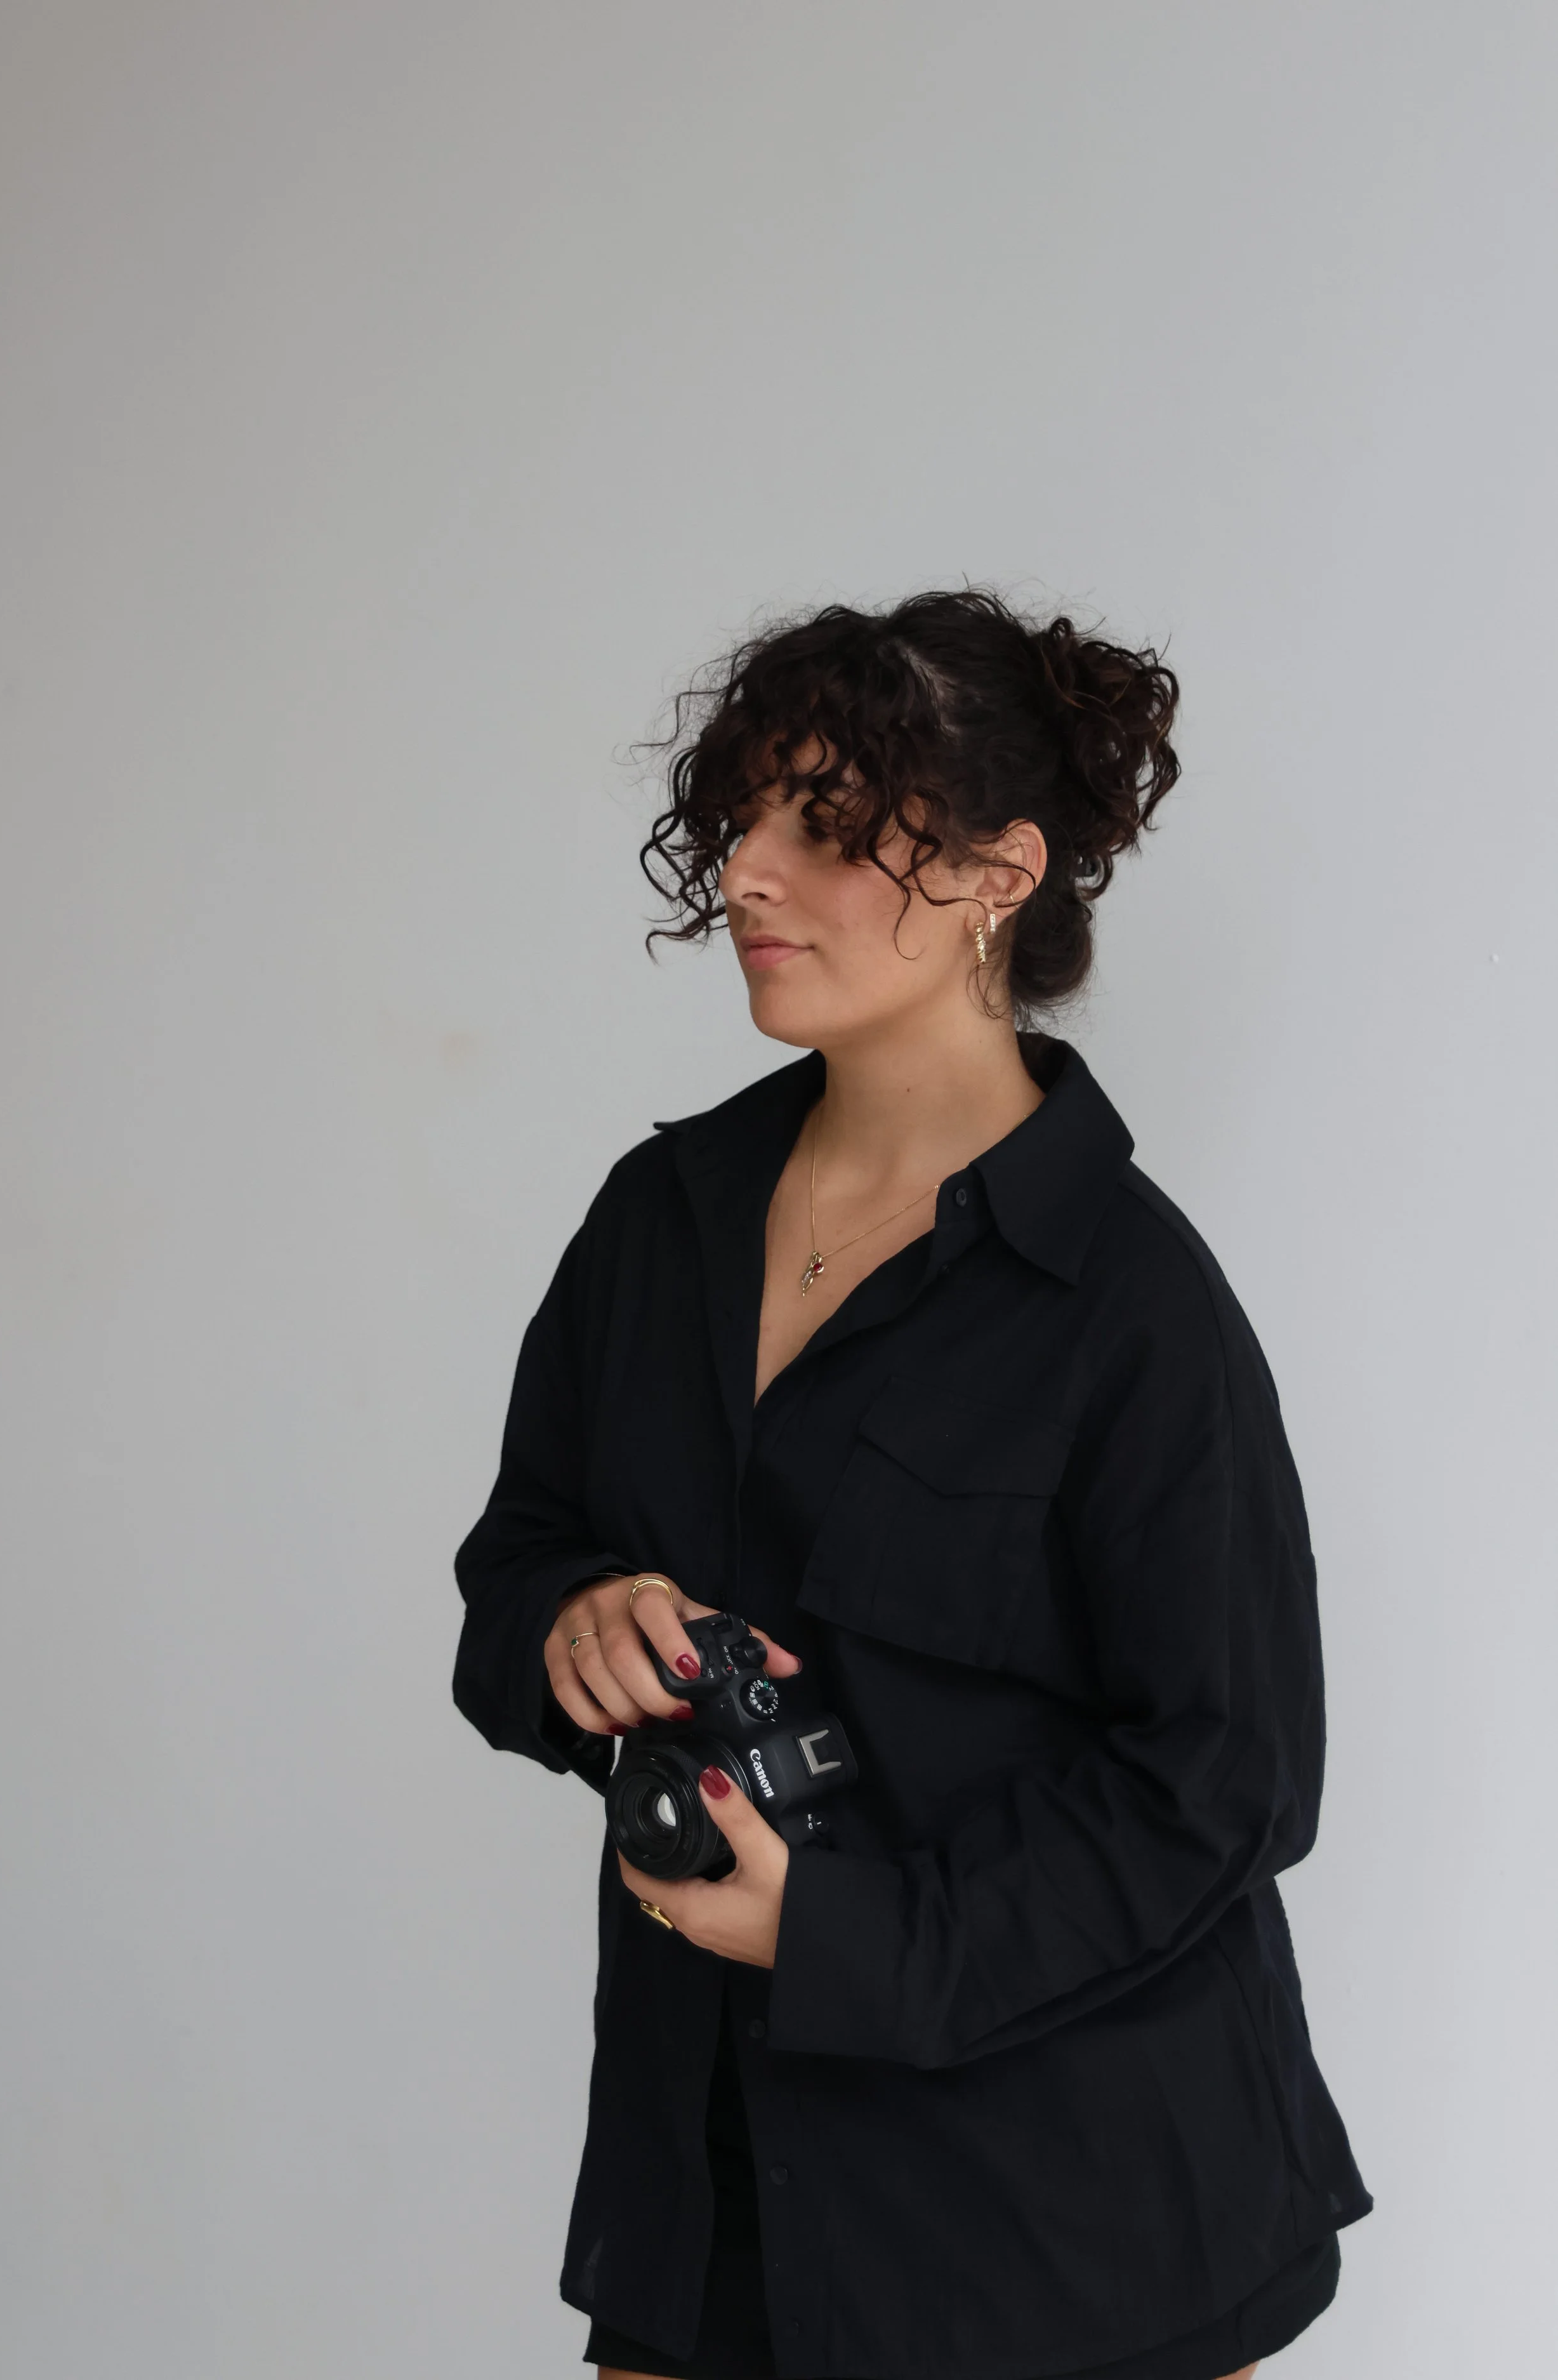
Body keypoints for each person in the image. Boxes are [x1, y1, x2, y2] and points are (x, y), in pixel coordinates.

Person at [451, 588, 1373, 2380]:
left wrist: (848, 1937)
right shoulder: (658, 1224)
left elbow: (1228, 1781)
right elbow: (517, 1563)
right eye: (744, 819)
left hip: (1075, 2230)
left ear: (998, 875)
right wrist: (573, 1622)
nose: (748, 874)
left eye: (826, 825)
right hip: (712, 2192)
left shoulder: (1132, 1307)